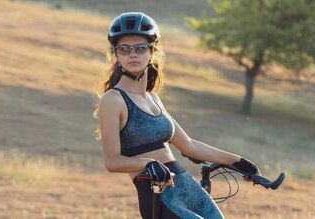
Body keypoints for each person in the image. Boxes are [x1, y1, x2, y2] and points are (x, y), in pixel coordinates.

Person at [94, 12, 261, 219]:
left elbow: (189, 145)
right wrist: (148, 163)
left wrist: (239, 161)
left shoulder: (153, 98)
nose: (133, 54)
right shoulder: (112, 100)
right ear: (116, 54)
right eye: (124, 49)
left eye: (140, 48)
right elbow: (112, 161)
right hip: (158, 192)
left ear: (152, 52)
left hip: (188, 186)